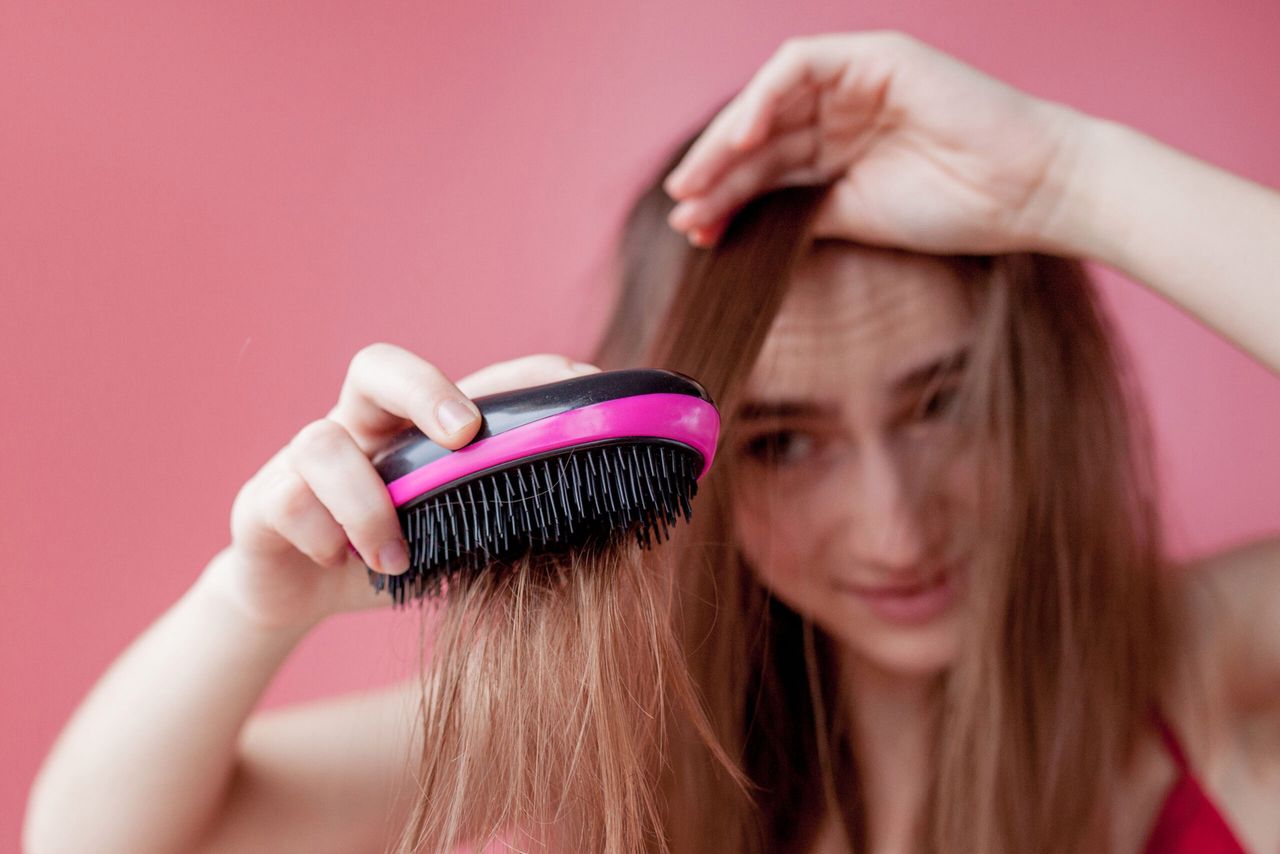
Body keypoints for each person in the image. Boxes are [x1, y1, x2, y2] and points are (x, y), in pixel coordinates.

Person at [24, 30, 1280, 854]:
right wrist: (258, 598)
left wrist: (1066, 180)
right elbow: (94, 840)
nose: (896, 523)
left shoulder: (1206, 667)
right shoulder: (643, 733)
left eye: (939, 402)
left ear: (1036, 384)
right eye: (787, 443)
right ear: (697, 471)